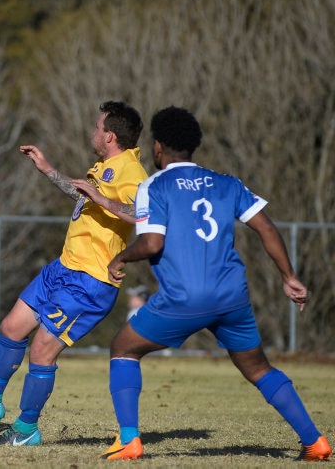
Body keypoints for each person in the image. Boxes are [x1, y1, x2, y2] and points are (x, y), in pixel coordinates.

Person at [97, 106, 331, 462]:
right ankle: (315, 442)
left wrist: (120, 258)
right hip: (230, 298)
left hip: (183, 298)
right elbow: (266, 228)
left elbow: (152, 244)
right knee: (258, 368)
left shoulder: (154, 186)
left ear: (158, 147)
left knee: (124, 349)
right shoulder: (227, 183)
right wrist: (289, 277)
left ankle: (129, 440)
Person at [0, 100, 147, 447]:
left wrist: (100, 197)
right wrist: (47, 169)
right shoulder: (105, 165)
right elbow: (83, 195)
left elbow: (139, 214)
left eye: (97, 127)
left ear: (110, 135)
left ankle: (26, 430)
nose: (93, 132)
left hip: (90, 281)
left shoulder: (133, 173)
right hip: (63, 268)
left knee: (41, 350)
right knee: (11, 328)